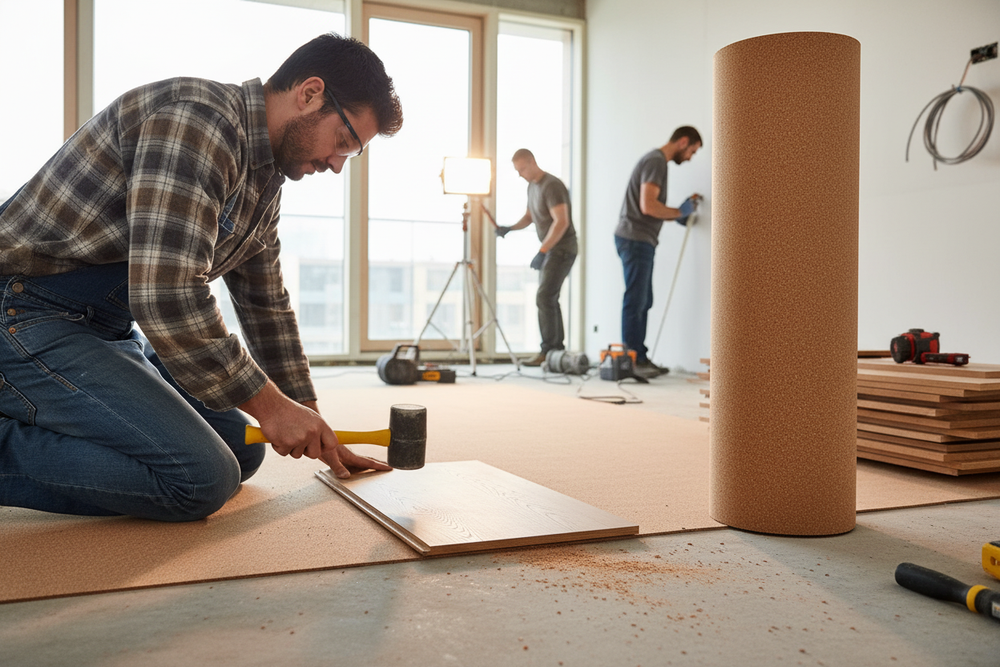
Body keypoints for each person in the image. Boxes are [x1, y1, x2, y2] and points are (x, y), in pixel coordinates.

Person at [0, 33, 403, 522]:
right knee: (200, 478)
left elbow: (265, 302)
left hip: (100, 325)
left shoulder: (265, 175)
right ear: (310, 93)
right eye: (344, 142)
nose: (338, 165)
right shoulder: (197, 122)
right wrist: (272, 407)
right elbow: (166, 294)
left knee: (244, 448)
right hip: (24, 311)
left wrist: (308, 415)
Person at [614, 126, 702, 377]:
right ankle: (633, 360)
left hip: (638, 239)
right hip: (635, 238)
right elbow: (648, 205)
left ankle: (638, 356)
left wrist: (678, 214)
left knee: (643, 300)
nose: (690, 158)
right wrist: (680, 212)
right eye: (692, 151)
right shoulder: (656, 161)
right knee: (636, 300)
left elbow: (651, 206)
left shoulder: (655, 161)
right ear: (683, 142)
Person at [495, 149, 578, 367]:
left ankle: (550, 351)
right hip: (551, 250)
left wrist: (542, 251)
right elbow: (529, 216)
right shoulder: (532, 187)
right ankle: (555, 351)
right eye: (517, 171)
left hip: (562, 248)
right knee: (548, 297)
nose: (520, 174)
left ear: (532, 162)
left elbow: (561, 222)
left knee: (544, 296)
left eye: (522, 168)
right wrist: (510, 228)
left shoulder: (552, 185)